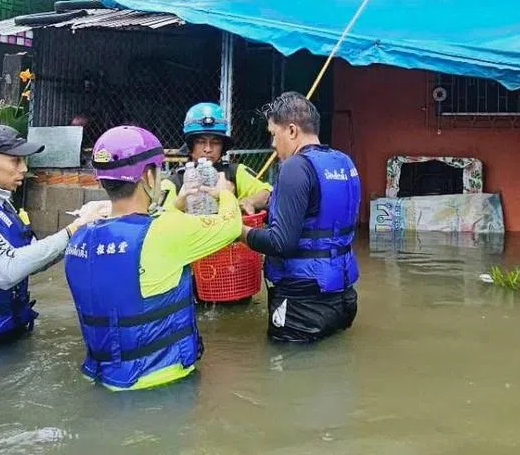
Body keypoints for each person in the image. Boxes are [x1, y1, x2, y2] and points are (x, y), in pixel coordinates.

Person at [64, 125, 243, 391]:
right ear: (148, 175)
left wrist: (178, 202)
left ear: (103, 180)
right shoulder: (167, 231)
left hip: (101, 377)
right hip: (161, 382)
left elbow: (145, 231)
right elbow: (231, 226)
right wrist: (225, 192)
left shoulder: (78, 238)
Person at [0, 125, 104, 348]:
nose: (24, 168)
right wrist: (72, 231)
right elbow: (4, 270)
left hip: (10, 330)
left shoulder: (3, 205)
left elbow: (33, 261)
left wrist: (83, 228)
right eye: (16, 161)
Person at [240, 92, 360, 343]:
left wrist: (238, 232)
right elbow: (317, 214)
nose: (273, 144)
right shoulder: (343, 161)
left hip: (302, 306)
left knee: (285, 374)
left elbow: (281, 243)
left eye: (274, 134)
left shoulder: (295, 166)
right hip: (343, 298)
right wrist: (263, 202)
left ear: (292, 131)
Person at [166, 102, 273, 215]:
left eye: (215, 142)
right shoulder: (173, 182)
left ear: (223, 146)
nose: (208, 149)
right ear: (190, 146)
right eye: (201, 142)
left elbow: (269, 194)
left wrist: (247, 201)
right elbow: (158, 218)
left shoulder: (236, 172)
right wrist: (178, 205)